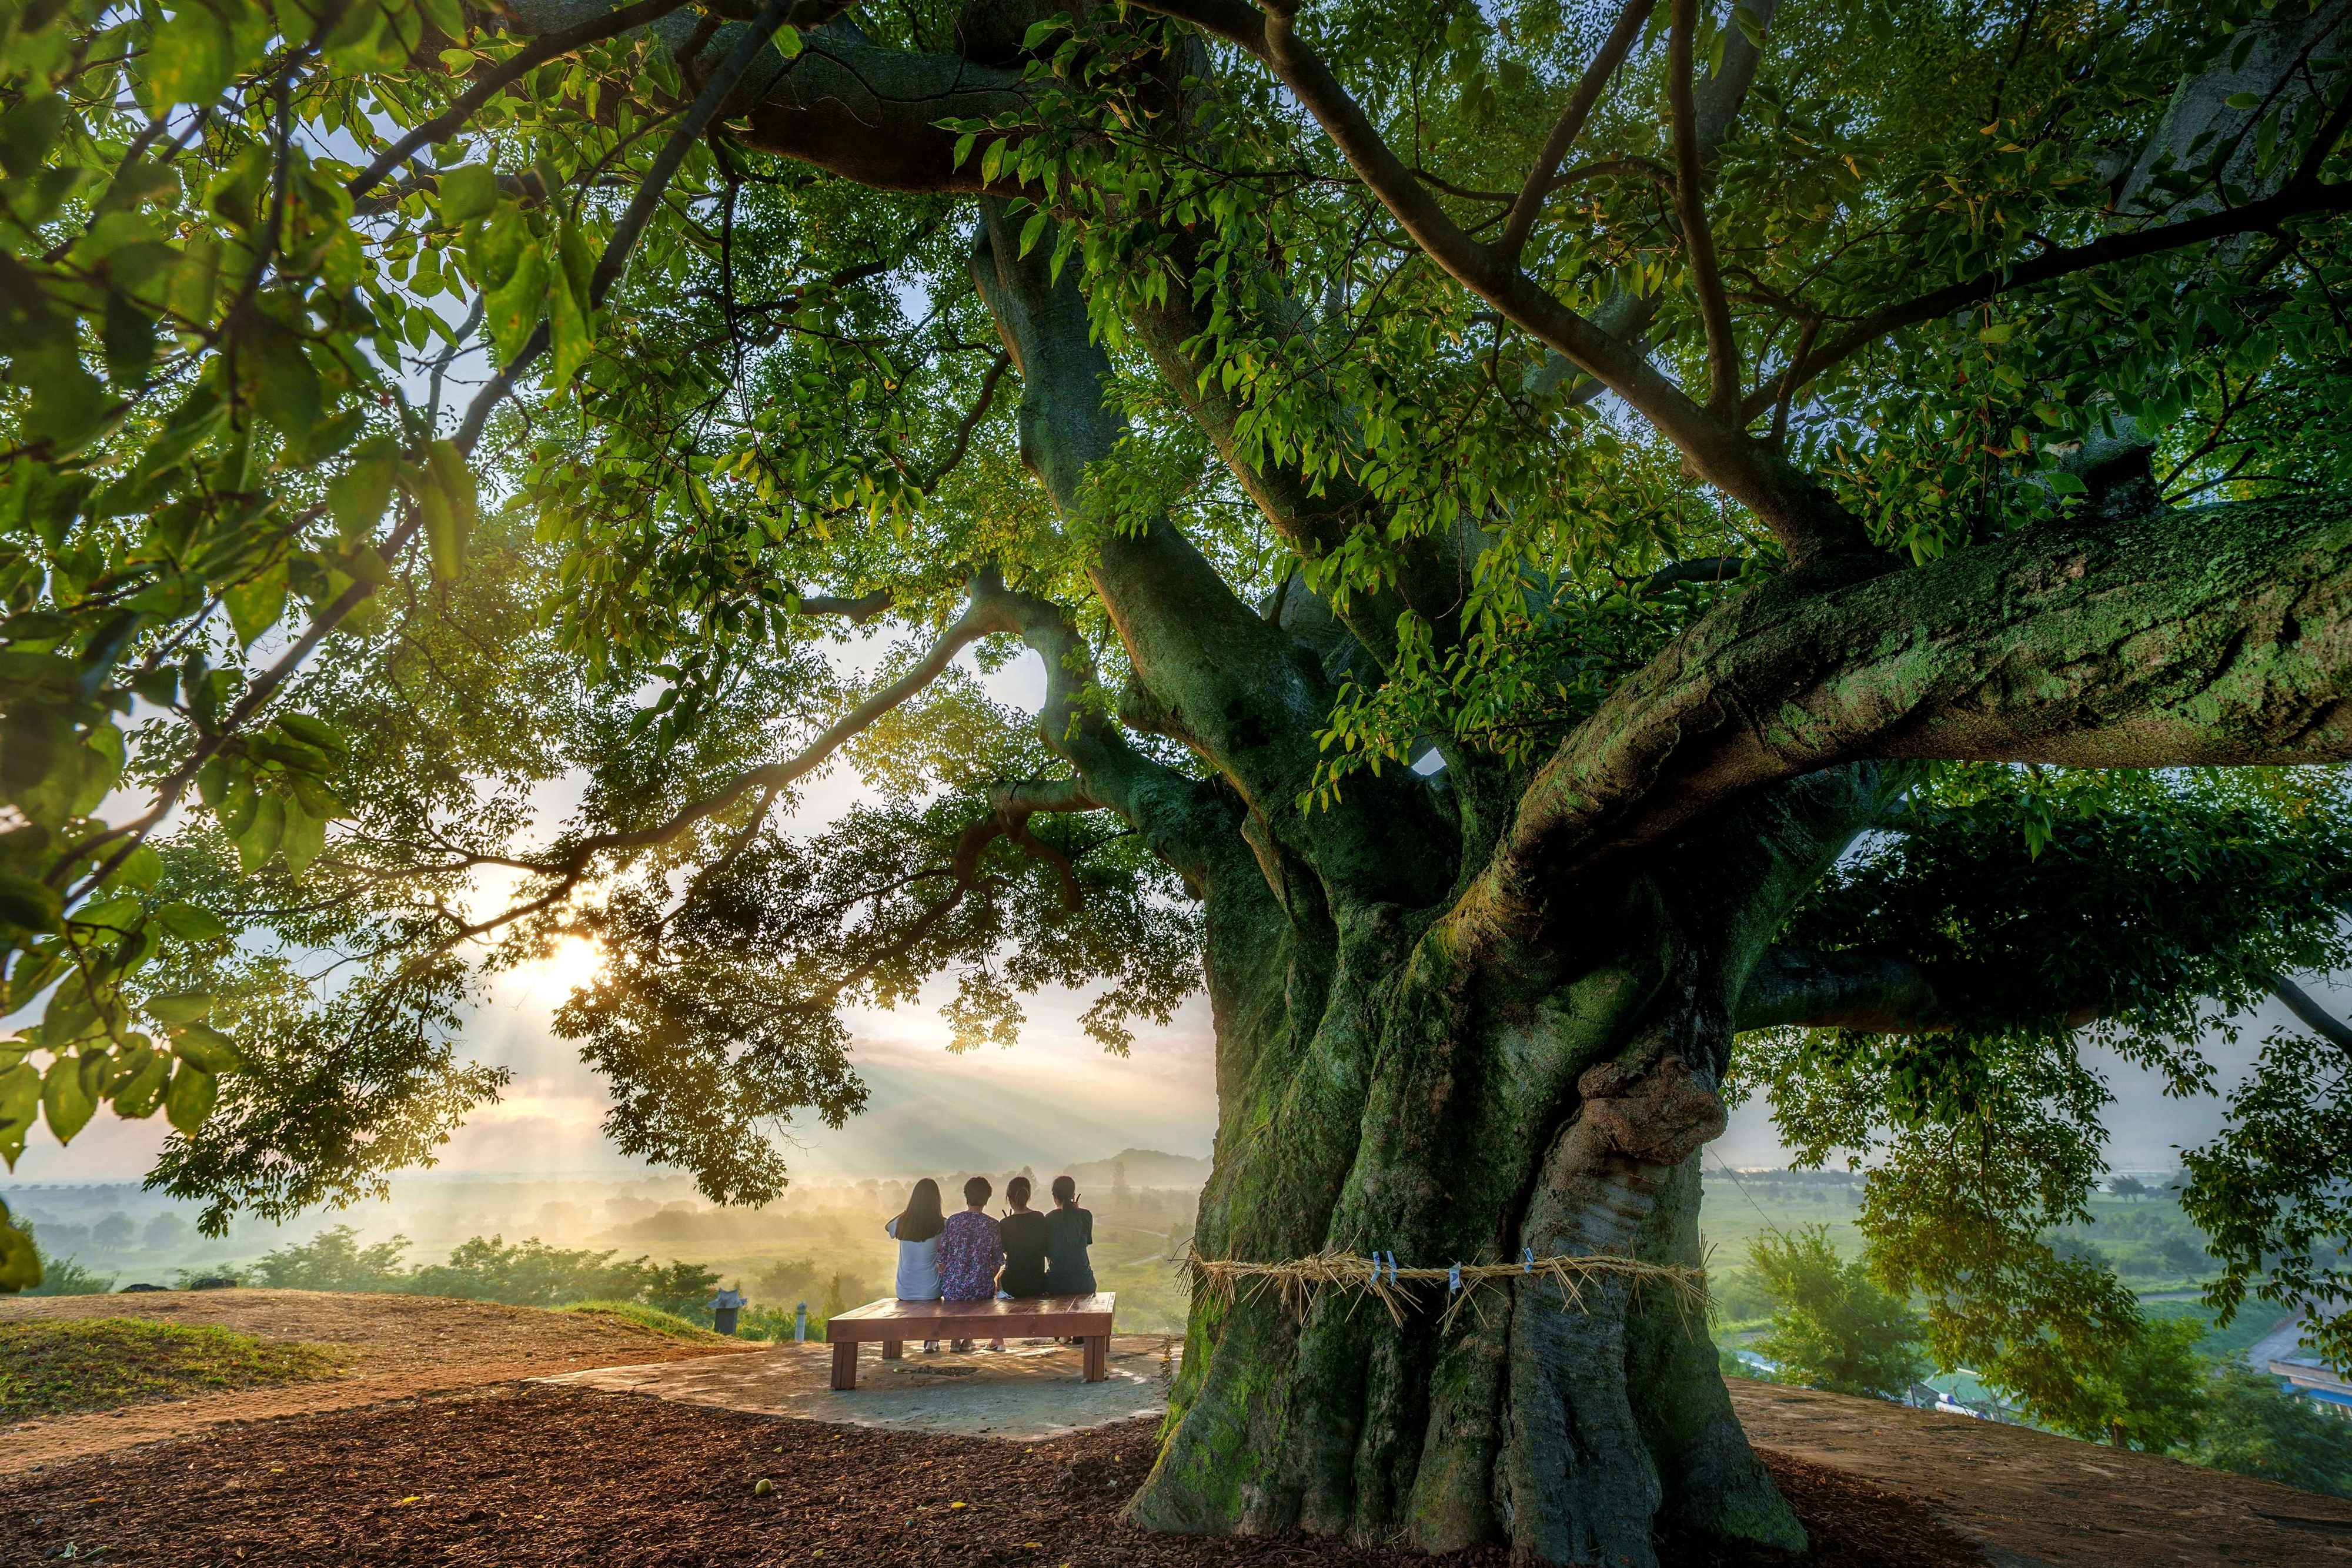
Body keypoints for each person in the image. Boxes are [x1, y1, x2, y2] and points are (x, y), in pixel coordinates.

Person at [935, 1175, 1003, 1352]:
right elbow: (997, 1261)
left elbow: (941, 1258)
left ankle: (956, 1339)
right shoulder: (992, 1224)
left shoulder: (953, 1221)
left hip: (953, 1286)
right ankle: (968, 1339)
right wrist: (985, 1275)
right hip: (980, 1286)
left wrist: (953, 1275)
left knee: (958, 1292)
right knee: (981, 1291)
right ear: (987, 1198)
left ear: (966, 1196)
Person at [886, 1177, 946, 1352]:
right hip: (931, 1290)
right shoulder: (943, 1224)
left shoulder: (902, 1223)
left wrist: (908, 1212)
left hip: (904, 1290)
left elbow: (886, 1226)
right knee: (937, 1289)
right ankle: (932, 1340)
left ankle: (929, 1340)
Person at [998, 1176, 1051, 1335]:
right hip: (1037, 1284)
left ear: (1009, 1198)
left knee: (1000, 1275)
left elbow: (1007, 1251)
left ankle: (997, 1339)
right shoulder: (1039, 1218)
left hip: (1013, 1286)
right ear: (1028, 1196)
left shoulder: (1005, 1224)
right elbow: (1043, 1248)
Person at [1043, 1174, 1095, 1296]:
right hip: (1084, 1283)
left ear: (1054, 1196)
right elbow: (1084, 1244)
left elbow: (1048, 1252)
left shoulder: (1048, 1219)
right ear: (1073, 1195)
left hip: (1056, 1285)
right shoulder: (1086, 1216)